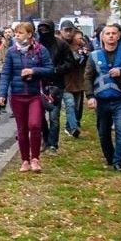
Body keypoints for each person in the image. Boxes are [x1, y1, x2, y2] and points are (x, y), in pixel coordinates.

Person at [84, 23, 121, 171]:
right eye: (108, 33)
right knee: (103, 132)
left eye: (114, 33)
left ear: (119, 36)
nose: (111, 36)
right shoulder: (94, 56)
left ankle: (118, 162)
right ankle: (110, 157)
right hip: (101, 100)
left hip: (120, 99)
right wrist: (90, 96)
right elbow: (88, 77)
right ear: (102, 36)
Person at [0, 21, 54, 172]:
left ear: (30, 34)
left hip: (35, 94)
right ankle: (25, 160)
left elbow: (50, 69)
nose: (17, 36)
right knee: (22, 129)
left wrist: (33, 71)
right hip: (17, 95)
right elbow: (6, 74)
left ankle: (35, 158)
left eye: (20, 33)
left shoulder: (40, 50)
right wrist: (2, 94)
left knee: (35, 125)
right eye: (16, 33)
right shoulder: (11, 52)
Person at [37, 19, 74, 153]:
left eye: (46, 29)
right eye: (41, 29)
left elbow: (70, 63)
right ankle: (46, 139)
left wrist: (57, 70)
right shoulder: (36, 45)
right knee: (39, 116)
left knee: (54, 116)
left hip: (56, 84)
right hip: (39, 84)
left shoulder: (61, 45)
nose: (44, 32)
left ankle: (53, 144)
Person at [63, 28, 89, 138]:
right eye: (79, 38)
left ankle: (69, 126)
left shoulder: (84, 50)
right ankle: (73, 129)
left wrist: (85, 56)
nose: (81, 40)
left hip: (79, 82)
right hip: (67, 82)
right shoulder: (65, 48)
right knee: (70, 105)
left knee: (76, 108)